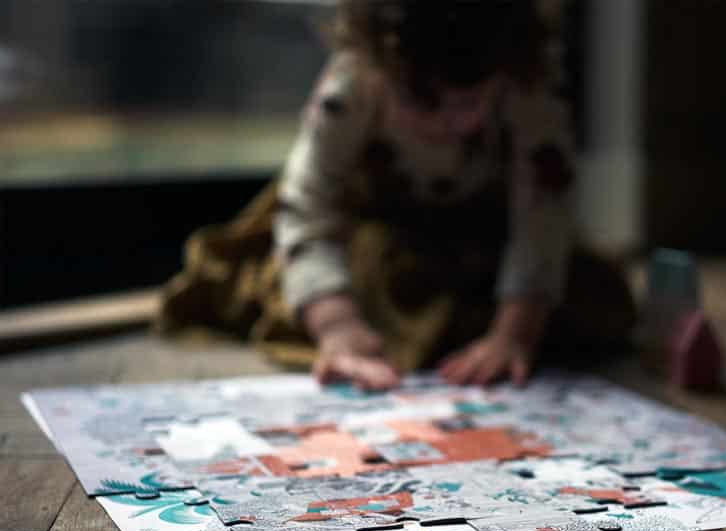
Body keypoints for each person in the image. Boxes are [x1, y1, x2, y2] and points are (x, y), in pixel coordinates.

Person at [160, 0, 634, 388]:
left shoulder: (527, 78)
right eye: (420, 98)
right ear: (381, 61)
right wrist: (336, 324)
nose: (448, 121)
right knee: (320, 279)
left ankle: (469, 332)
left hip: (482, 239)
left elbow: (544, 213)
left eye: (468, 99)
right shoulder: (354, 80)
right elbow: (308, 207)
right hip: (375, 231)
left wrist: (515, 333)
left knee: (592, 293)